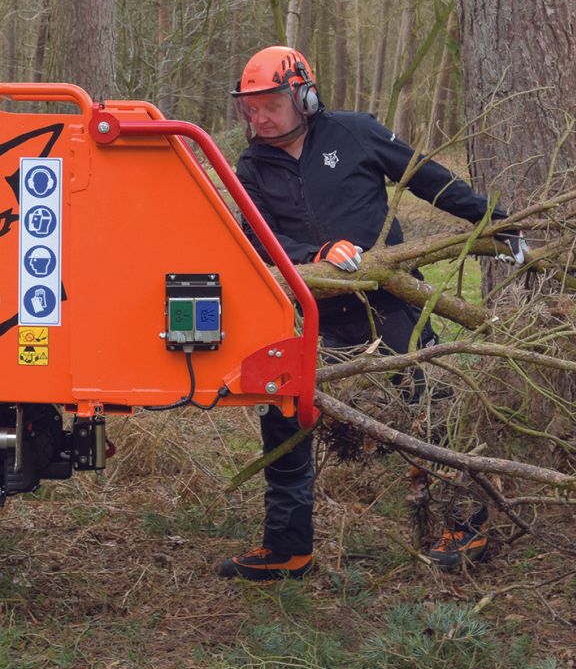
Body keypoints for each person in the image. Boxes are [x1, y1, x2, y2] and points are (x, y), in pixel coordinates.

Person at [216, 45, 523, 580]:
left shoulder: (354, 132)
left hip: (388, 299)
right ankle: (288, 547)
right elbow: (256, 238)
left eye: (268, 105)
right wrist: (313, 257)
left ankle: (465, 526)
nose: (258, 118)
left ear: (303, 96)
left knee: (428, 404)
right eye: (250, 108)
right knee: (285, 413)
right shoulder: (252, 165)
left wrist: (494, 220)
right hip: (311, 311)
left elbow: (427, 178)